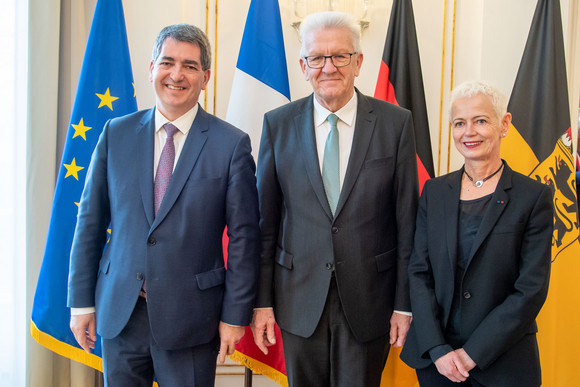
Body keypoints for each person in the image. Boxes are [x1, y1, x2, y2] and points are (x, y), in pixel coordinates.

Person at [67, 24, 260, 386]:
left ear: (205, 77)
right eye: (168, 62)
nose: (176, 74)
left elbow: (245, 239)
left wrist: (235, 316)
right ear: (151, 68)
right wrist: (81, 303)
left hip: (192, 319)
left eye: (189, 66)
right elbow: (89, 222)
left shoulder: (231, 145)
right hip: (121, 314)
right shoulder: (115, 133)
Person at [251, 11, 419, 387]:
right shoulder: (277, 125)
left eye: (340, 56)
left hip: (369, 301)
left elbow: (407, 222)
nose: (328, 67)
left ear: (358, 62)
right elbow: (265, 224)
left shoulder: (396, 124)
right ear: (303, 65)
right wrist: (261, 302)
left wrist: (403, 303)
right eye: (317, 58)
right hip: (297, 300)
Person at [400, 80, 553, 387]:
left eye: (480, 120)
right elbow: (419, 272)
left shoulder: (533, 196)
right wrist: (439, 350)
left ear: (504, 124)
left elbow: (530, 289)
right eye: (459, 123)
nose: (468, 132)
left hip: (503, 363)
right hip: (437, 362)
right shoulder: (434, 191)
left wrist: (472, 354)